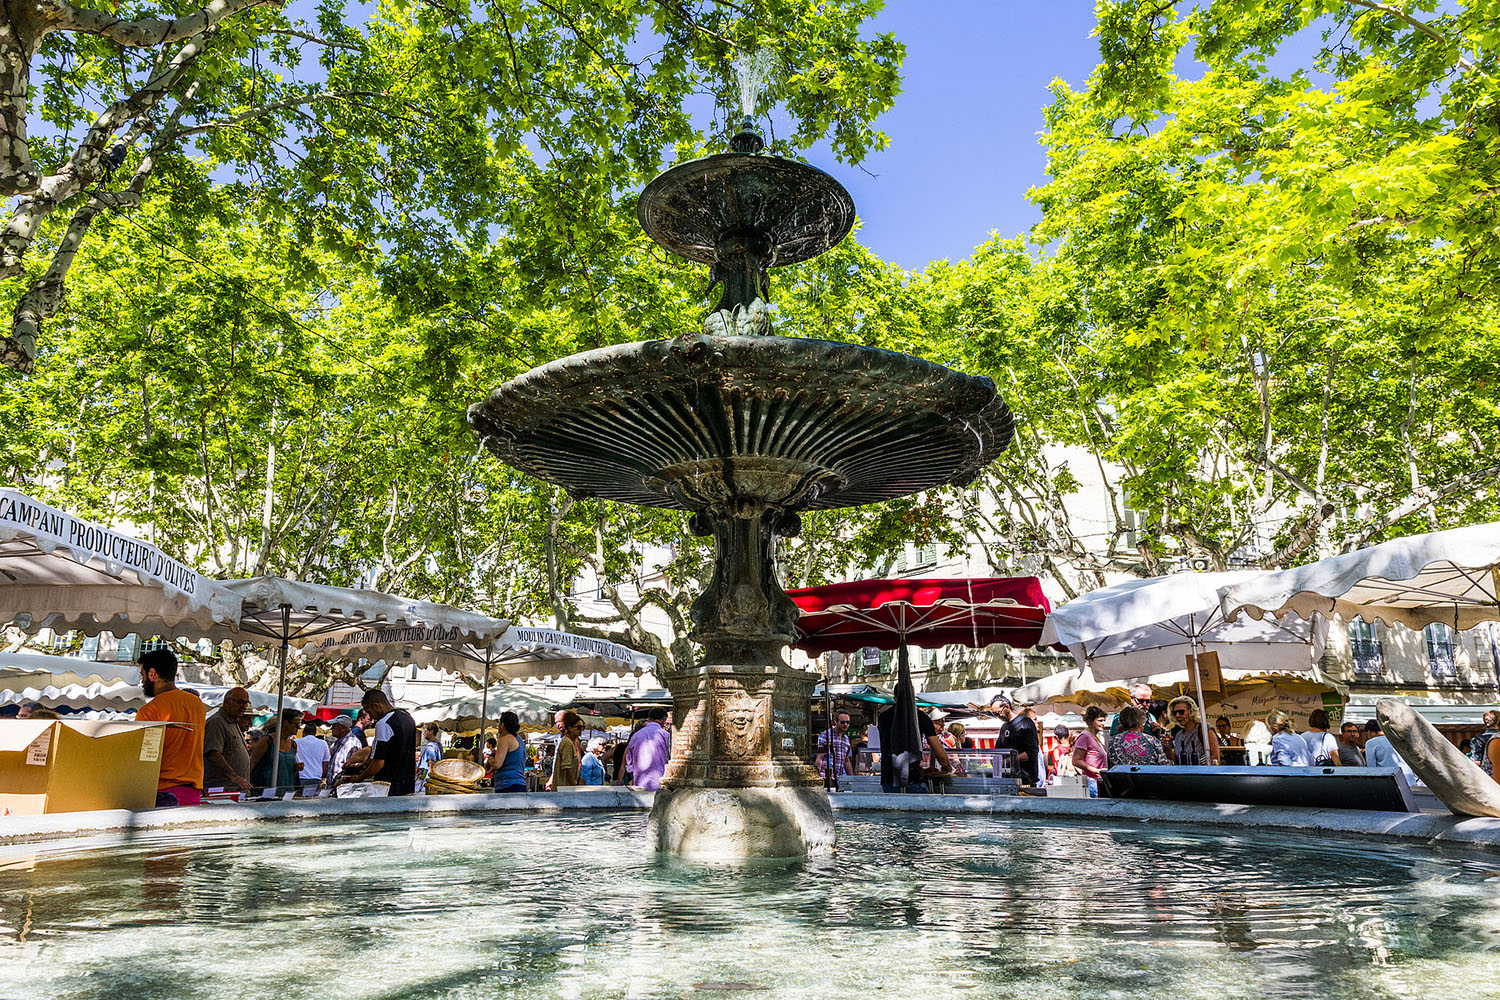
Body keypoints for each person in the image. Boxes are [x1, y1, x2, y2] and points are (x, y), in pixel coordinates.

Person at [134, 649, 207, 807]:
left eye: (142, 675)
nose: (141, 682)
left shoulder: (149, 711)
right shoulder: (197, 705)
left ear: (152, 674)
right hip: (193, 792)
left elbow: (145, 758)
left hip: (163, 792)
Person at [348, 690, 417, 795]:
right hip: (407, 785)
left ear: (377, 706)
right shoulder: (408, 718)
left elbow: (378, 763)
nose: (370, 717)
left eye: (369, 712)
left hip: (387, 787)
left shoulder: (383, 723)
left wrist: (358, 778)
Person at [875, 704, 950, 792]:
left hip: (888, 779)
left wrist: (921, 770)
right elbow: (938, 751)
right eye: (940, 721)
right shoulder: (920, 716)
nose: (942, 724)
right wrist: (947, 767)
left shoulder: (884, 716)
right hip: (912, 780)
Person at [202, 687, 253, 793]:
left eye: (246, 703)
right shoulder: (217, 722)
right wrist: (234, 777)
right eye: (240, 702)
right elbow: (213, 754)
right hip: (222, 791)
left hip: (235, 791)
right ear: (227, 702)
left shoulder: (233, 722)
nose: (244, 707)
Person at [248, 708, 303, 795]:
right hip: (266, 793)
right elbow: (252, 764)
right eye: (296, 724)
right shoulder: (267, 741)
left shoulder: (293, 745)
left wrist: (296, 767)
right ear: (286, 723)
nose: (299, 727)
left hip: (287, 794)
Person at [623, 707, 672, 790]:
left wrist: (634, 771)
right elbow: (670, 757)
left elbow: (628, 761)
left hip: (639, 784)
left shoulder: (636, 736)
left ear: (649, 718)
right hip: (659, 784)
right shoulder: (665, 735)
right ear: (664, 720)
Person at [1363, 717, 1417, 786]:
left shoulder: (1371, 743)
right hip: (1409, 780)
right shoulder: (1398, 740)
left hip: (1389, 782)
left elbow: (1372, 768)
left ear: (1369, 732)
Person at [1166, 696, 1219, 766]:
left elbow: (1215, 757)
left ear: (1191, 711)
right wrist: (1168, 748)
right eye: (1175, 713)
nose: (1177, 715)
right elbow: (1176, 762)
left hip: (1203, 774)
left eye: (1181, 712)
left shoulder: (1204, 729)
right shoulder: (1178, 735)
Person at [1070, 706, 1108, 796]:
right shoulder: (1085, 736)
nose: (1103, 723)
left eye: (1104, 721)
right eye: (1100, 720)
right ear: (1091, 721)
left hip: (1098, 782)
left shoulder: (1094, 737)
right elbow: (1076, 760)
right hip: (1092, 782)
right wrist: (1097, 771)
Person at [491, 711, 528, 792]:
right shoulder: (520, 741)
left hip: (507, 786)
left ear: (503, 725)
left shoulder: (505, 739)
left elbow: (497, 764)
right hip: (520, 784)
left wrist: (490, 760)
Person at [1006, 700, 1041, 785]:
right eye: (1035, 720)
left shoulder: (1034, 740)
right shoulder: (1021, 727)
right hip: (1024, 780)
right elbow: (1030, 754)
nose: (1037, 723)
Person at [548, 712, 584, 789]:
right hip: (565, 788)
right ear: (570, 728)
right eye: (578, 727)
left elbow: (578, 763)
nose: (581, 730)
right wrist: (574, 784)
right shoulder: (567, 742)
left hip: (566, 787)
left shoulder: (572, 741)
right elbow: (567, 766)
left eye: (582, 727)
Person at [294, 721, 331, 796]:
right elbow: (326, 763)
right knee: (312, 801)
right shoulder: (323, 743)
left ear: (303, 732)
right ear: (315, 733)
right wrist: (320, 775)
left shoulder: (295, 742)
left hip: (300, 777)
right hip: (316, 777)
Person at [816, 711, 854, 783]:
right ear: (835, 721)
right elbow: (820, 757)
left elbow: (846, 760)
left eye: (847, 722)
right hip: (826, 777)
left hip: (840, 778)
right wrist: (818, 777)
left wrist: (851, 779)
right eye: (842, 722)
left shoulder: (846, 739)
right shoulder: (826, 735)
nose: (845, 724)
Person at [327, 716, 361, 783]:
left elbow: (350, 770)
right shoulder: (337, 743)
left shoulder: (351, 743)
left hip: (342, 787)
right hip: (334, 785)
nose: (331, 729)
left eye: (334, 726)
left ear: (343, 728)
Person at [416, 724, 444, 794]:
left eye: (425, 731)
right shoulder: (438, 744)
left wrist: (431, 780)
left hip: (428, 777)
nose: (424, 734)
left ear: (431, 732)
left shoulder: (431, 746)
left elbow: (431, 763)